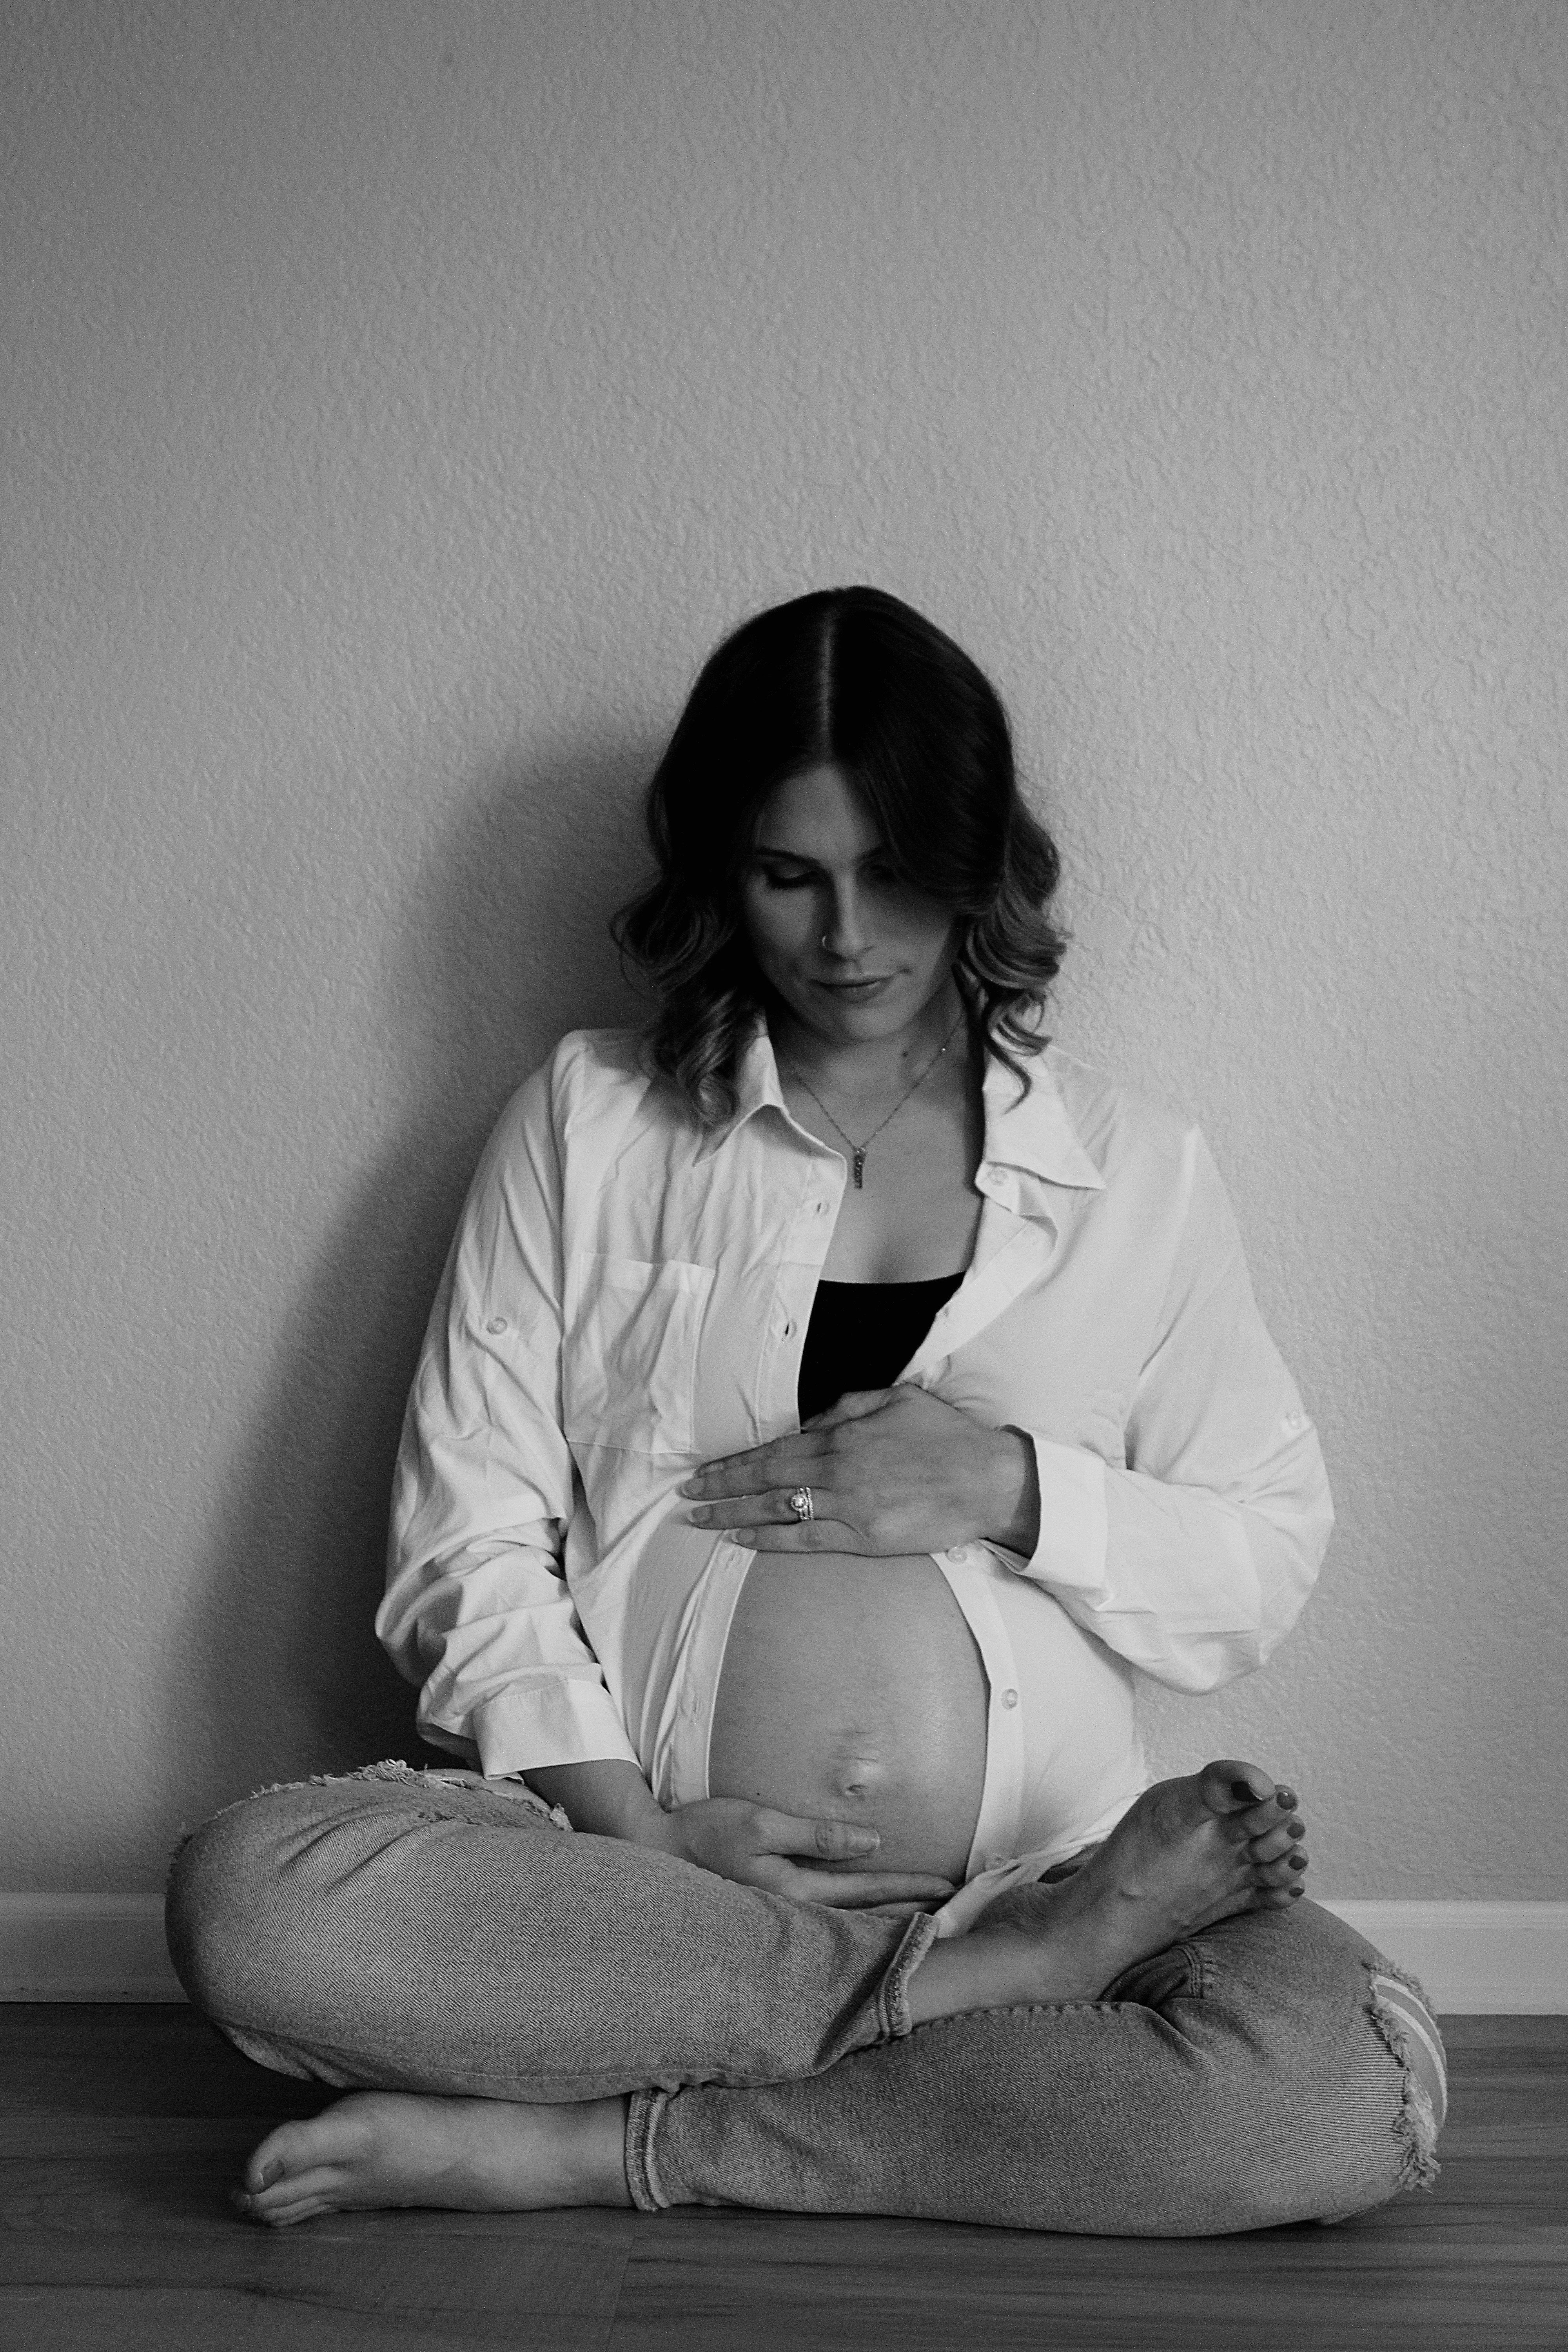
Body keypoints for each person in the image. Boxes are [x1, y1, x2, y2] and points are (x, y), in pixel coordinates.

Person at [167, 587, 1446, 2234]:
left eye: (897, 873)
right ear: (721, 873)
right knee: (253, 1909)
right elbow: (463, 1533)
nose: (849, 935)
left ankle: (606, 2141)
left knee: (1347, 2088)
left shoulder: (1137, 1177)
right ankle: (978, 1992)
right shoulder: (590, 1122)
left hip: (1040, 1867)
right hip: (642, 1883)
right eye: (791, 876)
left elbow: (1260, 1561)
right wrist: (637, 1834)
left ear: (982, 866)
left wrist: (1008, 1485)